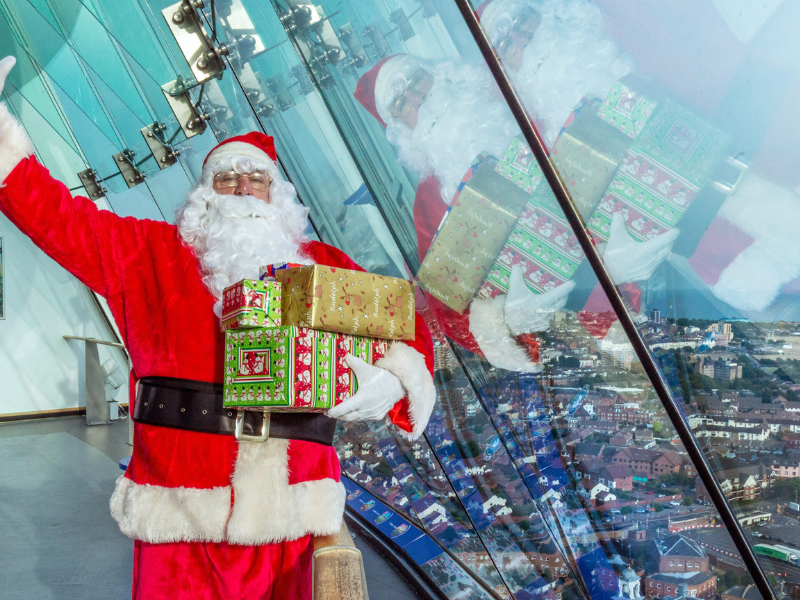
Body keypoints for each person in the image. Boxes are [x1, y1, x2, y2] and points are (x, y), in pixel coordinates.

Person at [0, 55, 436, 600]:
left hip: (292, 515)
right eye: (225, 178)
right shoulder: (149, 255)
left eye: (256, 178)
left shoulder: (323, 264)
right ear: (204, 196)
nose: (241, 188)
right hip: (181, 520)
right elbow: (57, 218)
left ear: (277, 195)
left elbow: (402, 322)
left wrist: (393, 379)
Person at [354, 53, 676, 370]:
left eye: (416, 80)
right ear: (401, 129)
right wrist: (506, 321)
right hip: (584, 338)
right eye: (402, 104)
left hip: (665, 267)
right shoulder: (428, 203)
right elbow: (449, 310)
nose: (417, 99)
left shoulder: (522, 101)